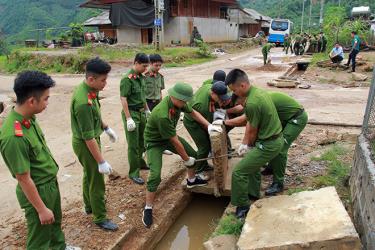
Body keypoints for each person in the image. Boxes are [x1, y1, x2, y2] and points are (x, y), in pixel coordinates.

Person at [0, 70, 79, 249]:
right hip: (37, 189)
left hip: (49, 184)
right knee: (40, 238)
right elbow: (23, 178)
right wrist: (41, 209)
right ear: (31, 101)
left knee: (55, 225)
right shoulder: (13, 136)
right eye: (45, 99)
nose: (47, 103)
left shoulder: (29, 118)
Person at [142, 82, 217, 228]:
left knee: (193, 154)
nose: (184, 103)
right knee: (156, 175)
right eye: (182, 101)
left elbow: (193, 113)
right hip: (155, 142)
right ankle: (148, 208)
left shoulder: (179, 103)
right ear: (173, 96)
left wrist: (209, 125)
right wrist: (186, 160)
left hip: (169, 137)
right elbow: (175, 141)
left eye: (185, 101)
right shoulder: (162, 114)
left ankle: (191, 180)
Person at [222, 69, 283, 219]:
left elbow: (252, 130)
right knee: (252, 166)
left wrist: (247, 145)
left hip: (268, 144)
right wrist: (225, 122)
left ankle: (243, 206)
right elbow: (247, 119)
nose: (234, 93)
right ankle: (253, 194)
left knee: (239, 172)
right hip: (273, 139)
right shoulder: (258, 92)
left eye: (234, 89)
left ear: (242, 85)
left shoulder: (253, 102)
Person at [70, 58, 119, 231]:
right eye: (103, 80)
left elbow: (95, 115)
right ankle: (100, 217)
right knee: (97, 180)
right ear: (91, 79)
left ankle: (89, 206)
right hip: (86, 143)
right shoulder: (83, 102)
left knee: (88, 175)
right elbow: (88, 138)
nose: (105, 83)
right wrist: (101, 161)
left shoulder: (90, 89)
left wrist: (106, 127)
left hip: (89, 138)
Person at [260, 92, 308, 195]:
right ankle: (272, 167)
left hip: (296, 118)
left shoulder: (258, 103)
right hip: (285, 118)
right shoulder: (256, 99)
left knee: (281, 148)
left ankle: (278, 183)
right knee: (272, 140)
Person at [183, 81, 231, 178]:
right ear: (213, 93)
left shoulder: (210, 87)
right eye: (220, 98)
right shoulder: (202, 105)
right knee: (204, 147)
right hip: (193, 123)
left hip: (201, 118)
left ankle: (204, 165)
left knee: (208, 143)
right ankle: (197, 172)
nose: (221, 100)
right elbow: (206, 125)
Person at [120, 53, 151, 185]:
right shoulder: (127, 79)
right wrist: (128, 119)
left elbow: (142, 96)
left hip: (141, 112)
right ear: (136, 63)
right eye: (144, 66)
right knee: (133, 145)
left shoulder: (140, 78)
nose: (145, 69)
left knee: (142, 140)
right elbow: (123, 99)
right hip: (131, 113)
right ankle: (133, 173)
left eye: (146, 66)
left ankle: (141, 163)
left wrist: (147, 110)